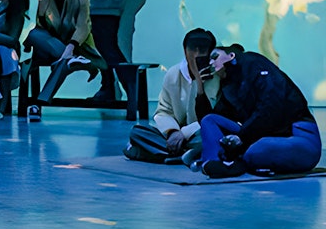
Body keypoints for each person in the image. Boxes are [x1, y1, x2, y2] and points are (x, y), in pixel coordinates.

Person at [192, 44, 321, 178]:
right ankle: (215, 163)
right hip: (258, 135)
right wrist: (200, 89)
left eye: (215, 57)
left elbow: (271, 106)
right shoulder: (229, 84)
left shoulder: (253, 63)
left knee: (257, 151)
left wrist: (242, 136)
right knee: (210, 120)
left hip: (296, 136)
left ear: (231, 56)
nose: (211, 62)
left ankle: (235, 162)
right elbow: (212, 118)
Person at [123, 28, 220, 164]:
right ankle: (185, 155)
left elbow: (217, 117)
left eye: (203, 49)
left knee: (213, 137)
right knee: (137, 132)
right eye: (193, 49)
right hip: (176, 137)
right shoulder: (173, 74)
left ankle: (163, 154)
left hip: (199, 134)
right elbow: (163, 111)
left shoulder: (217, 75)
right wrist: (173, 132)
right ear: (185, 51)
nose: (197, 54)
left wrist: (184, 133)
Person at [21, 0, 105, 121]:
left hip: (77, 48)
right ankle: (69, 60)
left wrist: (70, 48)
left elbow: (83, 27)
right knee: (34, 34)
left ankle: (38, 105)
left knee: (63, 62)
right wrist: (42, 5)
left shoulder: (81, 1)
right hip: (52, 49)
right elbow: (42, 29)